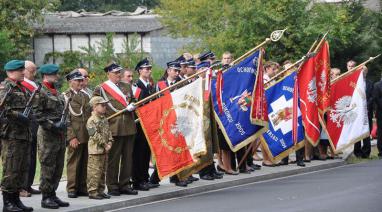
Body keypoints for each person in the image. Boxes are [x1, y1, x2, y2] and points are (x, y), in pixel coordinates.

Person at [93, 62, 137, 196]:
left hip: (129, 126)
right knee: (113, 159)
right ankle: (112, 186)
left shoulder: (127, 86)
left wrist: (132, 105)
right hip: (113, 127)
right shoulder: (101, 88)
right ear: (108, 74)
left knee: (128, 158)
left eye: (119, 72)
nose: (118, 75)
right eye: (115, 73)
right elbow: (95, 105)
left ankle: (125, 184)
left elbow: (133, 100)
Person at [0, 60, 34, 212]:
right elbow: (3, 108)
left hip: (23, 135)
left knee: (21, 169)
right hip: (12, 135)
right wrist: (18, 115)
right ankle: (8, 203)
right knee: (11, 169)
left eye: (23, 69)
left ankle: (16, 200)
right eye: (20, 70)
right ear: (11, 72)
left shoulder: (22, 88)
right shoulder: (5, 87)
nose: (23, 72)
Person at [36, 64, 70, 209]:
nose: (57, 76)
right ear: (46, 75)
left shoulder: (55, 91)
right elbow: (37, 114)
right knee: (48, 166)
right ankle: (46, 197)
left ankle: (53, 194)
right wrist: (52, 125)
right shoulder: (40, 92)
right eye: (54, 74)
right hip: (48, 134)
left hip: (59, 134)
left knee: (58, 165)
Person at [132, 58, 159, 191]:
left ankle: (144, 178)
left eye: (149, 68)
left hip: (149, 123)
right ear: (139, 71)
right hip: (139, 125)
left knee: (146, 153)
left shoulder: (150, 85)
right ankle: (138, 180)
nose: (148, 70)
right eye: (146, 69)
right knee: (139, 153)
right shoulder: (137, 86)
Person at [64, 70, 91, 198]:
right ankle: (72, 188)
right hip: (75, 135)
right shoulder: (65, 96)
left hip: (86, 134)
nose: (81, 82)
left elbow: (89, 117)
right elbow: (66, 119)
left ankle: (82, 186)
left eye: (81, 80)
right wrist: (71, 137)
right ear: (70, 82)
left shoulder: (85, 96)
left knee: (85, 162)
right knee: (74, 162)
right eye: (77, 80)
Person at [20, 60, 42, 197]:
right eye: (31, 70)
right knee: (24, 157)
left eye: (35, 70)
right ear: (24, 70)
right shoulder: (22, 85)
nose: (34, 73)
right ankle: (21, 186)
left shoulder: (35, 85)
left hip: (35, 125)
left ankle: (28, 184)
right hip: (25, 126)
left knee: (32, 156)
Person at [86, 96, 113, 200]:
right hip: (95, 150)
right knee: (94, 172)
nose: (104, 107)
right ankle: (93, 192)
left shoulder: (104, 119)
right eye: (102, 105)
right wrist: (105, 144)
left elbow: (109, 132)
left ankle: (101, 191)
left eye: (105, 105)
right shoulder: (91, 120)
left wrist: (110, 142)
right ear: (95, 107)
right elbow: (93, 134)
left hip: (104, 150)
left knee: (102, 172)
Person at [353, 66, 373, 158]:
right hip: (357, 111)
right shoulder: (354, 83)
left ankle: (366, 152)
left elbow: (372, 97)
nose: (363, 72)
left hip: (367, 111)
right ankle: (357, 152)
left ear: (367, 72)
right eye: (361, 70)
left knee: (366, 132)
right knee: (357, 131)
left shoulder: (370, 83)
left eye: (364, 71)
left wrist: (366, 106)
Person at [373, 72, 382, 158]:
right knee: (380, 132)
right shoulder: (377, 85)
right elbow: (376, 98)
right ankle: (381, 151)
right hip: (380, 112)